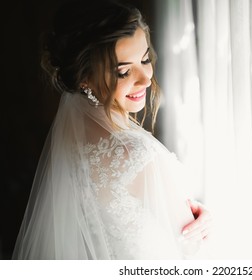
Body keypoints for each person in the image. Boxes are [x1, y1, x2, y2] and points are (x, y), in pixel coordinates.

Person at [12, 0, 212, 260]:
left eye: (144, 59)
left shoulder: (71, 135)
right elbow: (192, 252)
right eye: (123, 72)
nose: (145, 78)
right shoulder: (138, 155)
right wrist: (206, 224)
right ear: (85, 78)